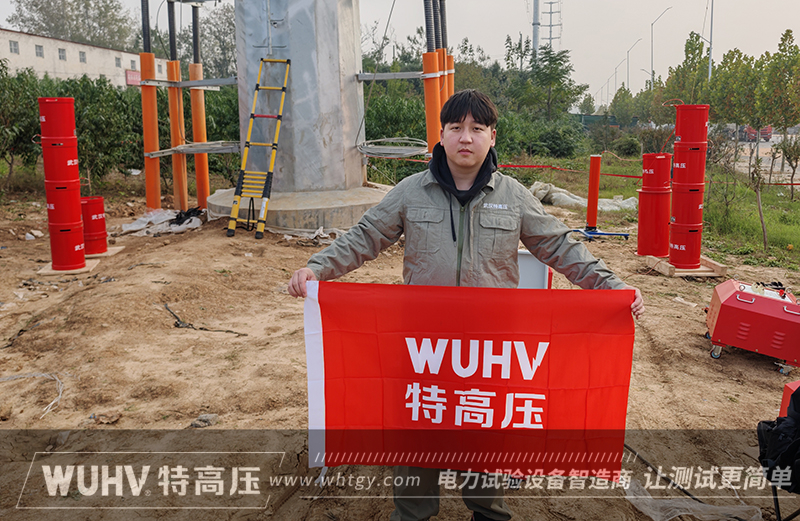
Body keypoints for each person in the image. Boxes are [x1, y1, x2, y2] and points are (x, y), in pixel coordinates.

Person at [289, 89, 644, 521]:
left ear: (492, 137)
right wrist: (318, 269)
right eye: (456, 127)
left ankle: (488, 511)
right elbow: (366, 236)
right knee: (419, 423)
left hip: (488, 346)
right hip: (424, 343)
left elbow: (559, 246)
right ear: (441, 135)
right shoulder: (411, 192)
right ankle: (413, 513)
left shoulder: (513, 195)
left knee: (483, 428)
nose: (466, 137)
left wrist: (611, 287)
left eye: (477, 128)